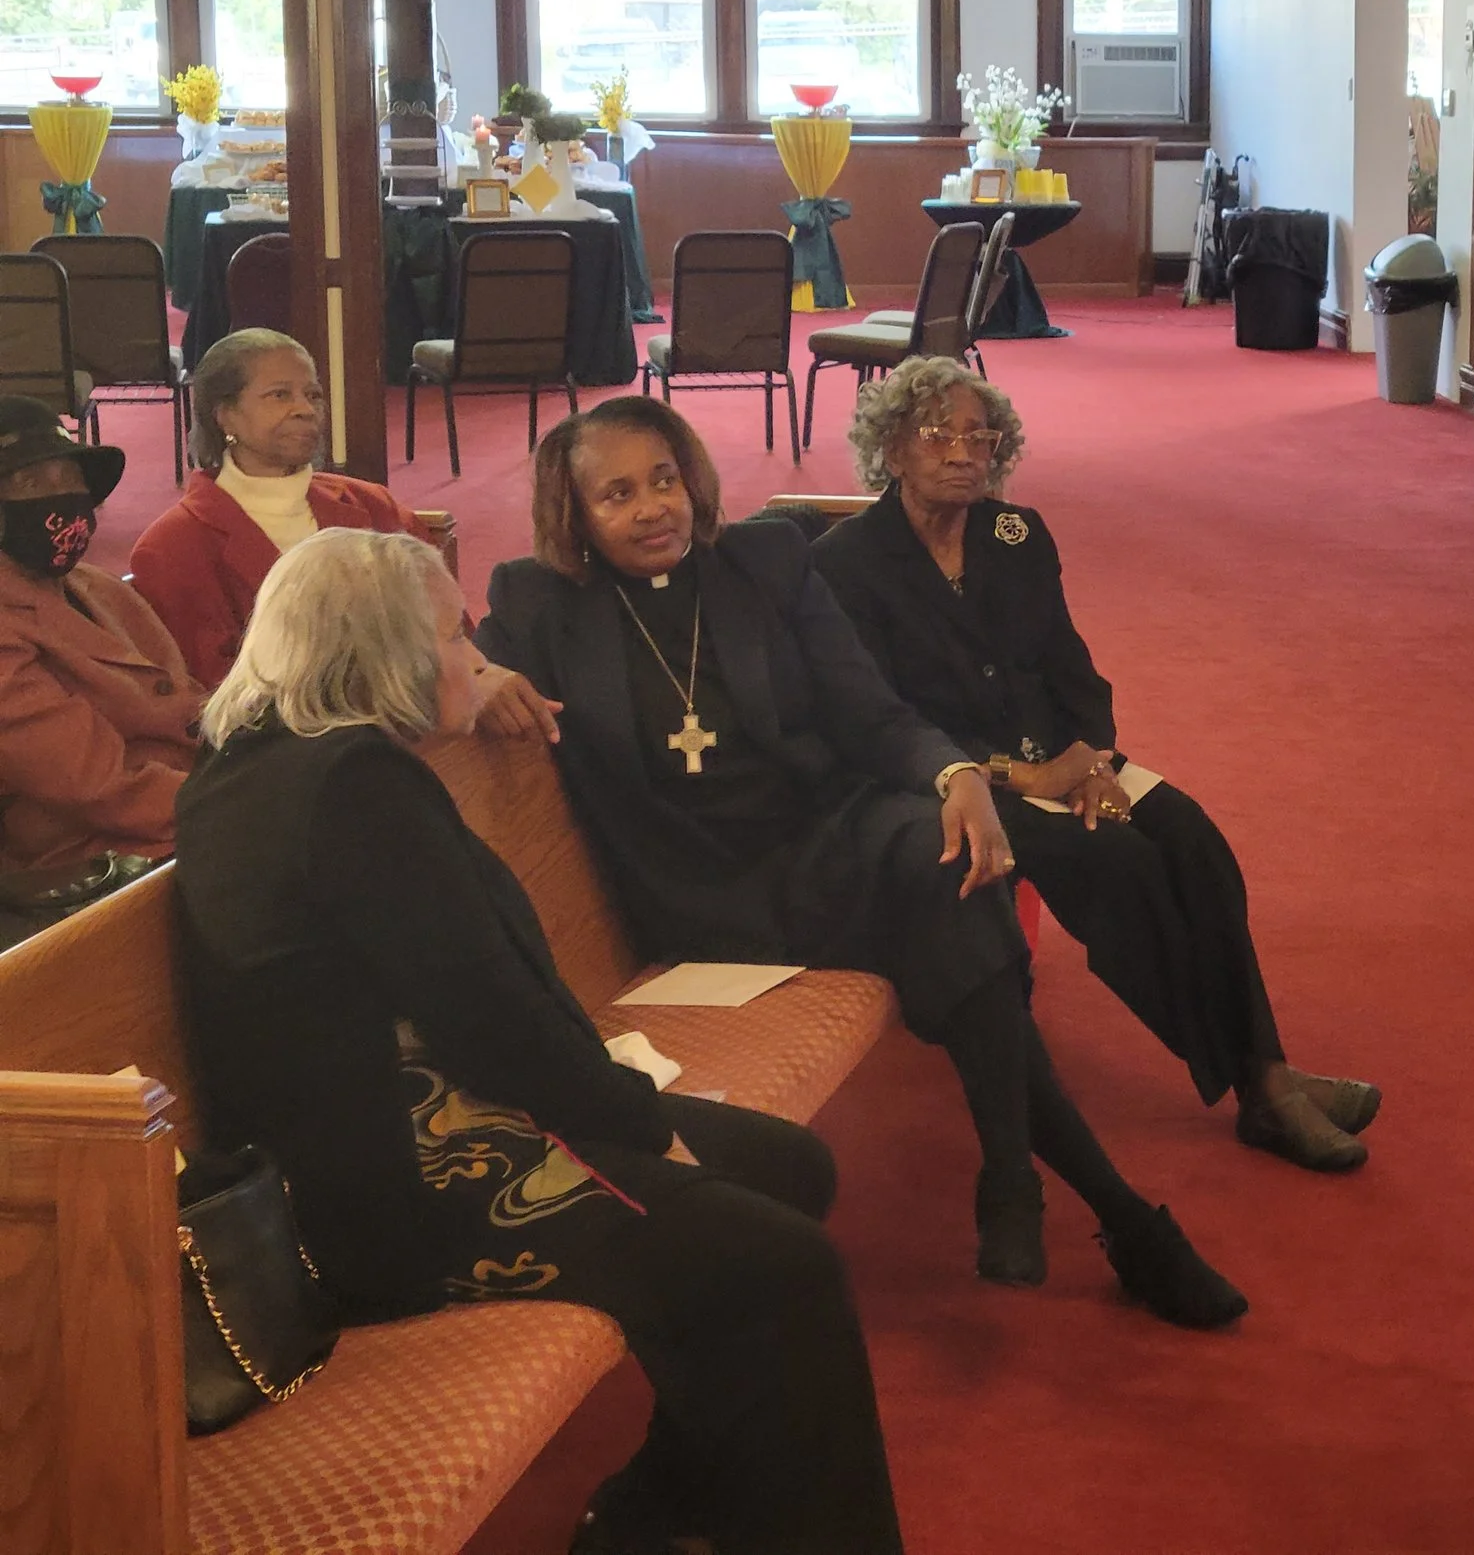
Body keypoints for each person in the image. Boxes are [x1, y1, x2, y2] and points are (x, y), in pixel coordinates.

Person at [174, 527, 903, 1555]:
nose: (470, 650)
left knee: (787, 1169)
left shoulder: (258, 759)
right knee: (780, 1268)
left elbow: (475, 1010)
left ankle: (663, 1505)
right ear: (379, 654)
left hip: (382, 1132)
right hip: (392, 1197)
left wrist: (627, 1114)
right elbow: (496, 1023)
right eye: (450, 632)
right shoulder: (354, 790)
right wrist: (645, 1128)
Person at [476, 395, 1244, 1328]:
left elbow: (870, 714)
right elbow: (426, 656)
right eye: (618, 494)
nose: (652, 508)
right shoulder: (536, 603)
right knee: (961, 923)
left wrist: (955, 771)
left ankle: (1026, 1181)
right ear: (576, 517)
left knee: (951, 856)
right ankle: (1098, 1211)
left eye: (666, 480)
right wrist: (479, 674)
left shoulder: (763, 562)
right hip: (708, 892)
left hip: (821, 836)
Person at [815, 356, 1378, 1172]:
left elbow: (1072, 668)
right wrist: (1021, 775)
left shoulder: (1017, 536)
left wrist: (1095, 760)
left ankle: (1266, 1072)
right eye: (939, 433)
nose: (964, 451)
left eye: (982, 434)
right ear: (892, 447)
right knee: (1119, 868)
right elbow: (880, 719)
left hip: (1066, 764)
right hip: (953, 785)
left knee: (1195, 841)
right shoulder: (848, 563)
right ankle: (1264, 1083)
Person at [129, 330, 546, 744]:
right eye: (279, 395)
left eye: (313, 395)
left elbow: (450, 628)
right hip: (288, 754)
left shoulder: (369, 505)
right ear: (225, 415)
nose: (304, 409)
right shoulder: (173, 547)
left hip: (415, 727)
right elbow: (220, 699)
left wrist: (480, 676)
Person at [0, 396, 200, 879]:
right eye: (32, 481)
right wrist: (235, 800)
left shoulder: (96, 583)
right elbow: (95, 784)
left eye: (72, 476)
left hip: (183, 804)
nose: (63, 494)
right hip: (98, 850)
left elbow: (187, 702)